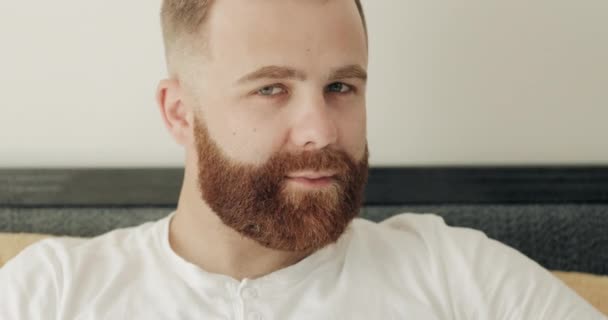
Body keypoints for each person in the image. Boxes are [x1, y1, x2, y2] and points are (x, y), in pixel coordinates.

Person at [1, 0, 605, 318]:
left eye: (342, 87)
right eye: (271, 89)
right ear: (180, 113)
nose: (319, 130)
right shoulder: (50, 294)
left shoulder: (457, 276)